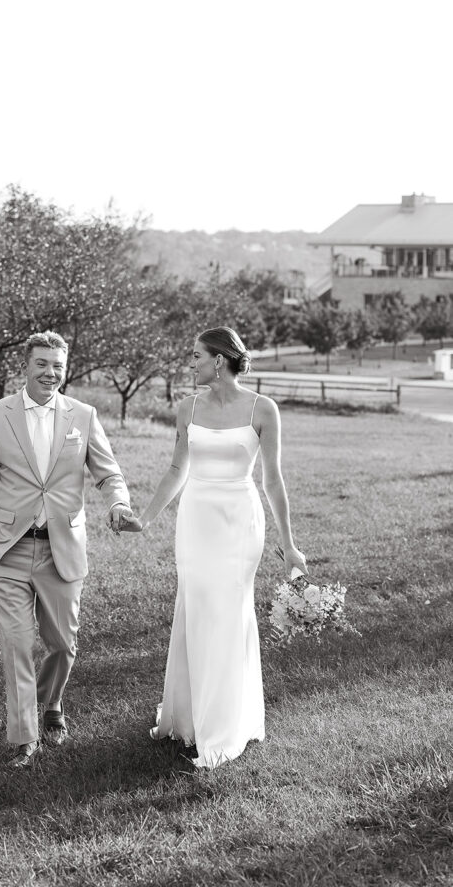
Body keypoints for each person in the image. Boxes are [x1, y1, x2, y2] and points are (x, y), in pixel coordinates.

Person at [121, 326, 308, 769]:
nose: (191, 364)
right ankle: (187, 718)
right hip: (197, 519)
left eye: (196, 357)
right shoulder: (187, 408)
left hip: (240, 522)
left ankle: (224, 729)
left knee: (227, 612)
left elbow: (273, 480)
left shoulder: (263, 408)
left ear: (219, 360)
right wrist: (144, 519)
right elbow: (175, 469)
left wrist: (290, 546)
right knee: (196, 607)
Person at [0, 331, 136, 769]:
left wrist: (118, 502)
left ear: (66, 368)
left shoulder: (83, 414)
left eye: (58, 365)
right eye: (42, 363)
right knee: (18, 643)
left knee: (62, 643)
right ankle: (25, 737)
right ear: (25, 366)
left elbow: (108, 472)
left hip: (63, 548)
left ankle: (51, 704)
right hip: (7, 550)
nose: (50, 372)